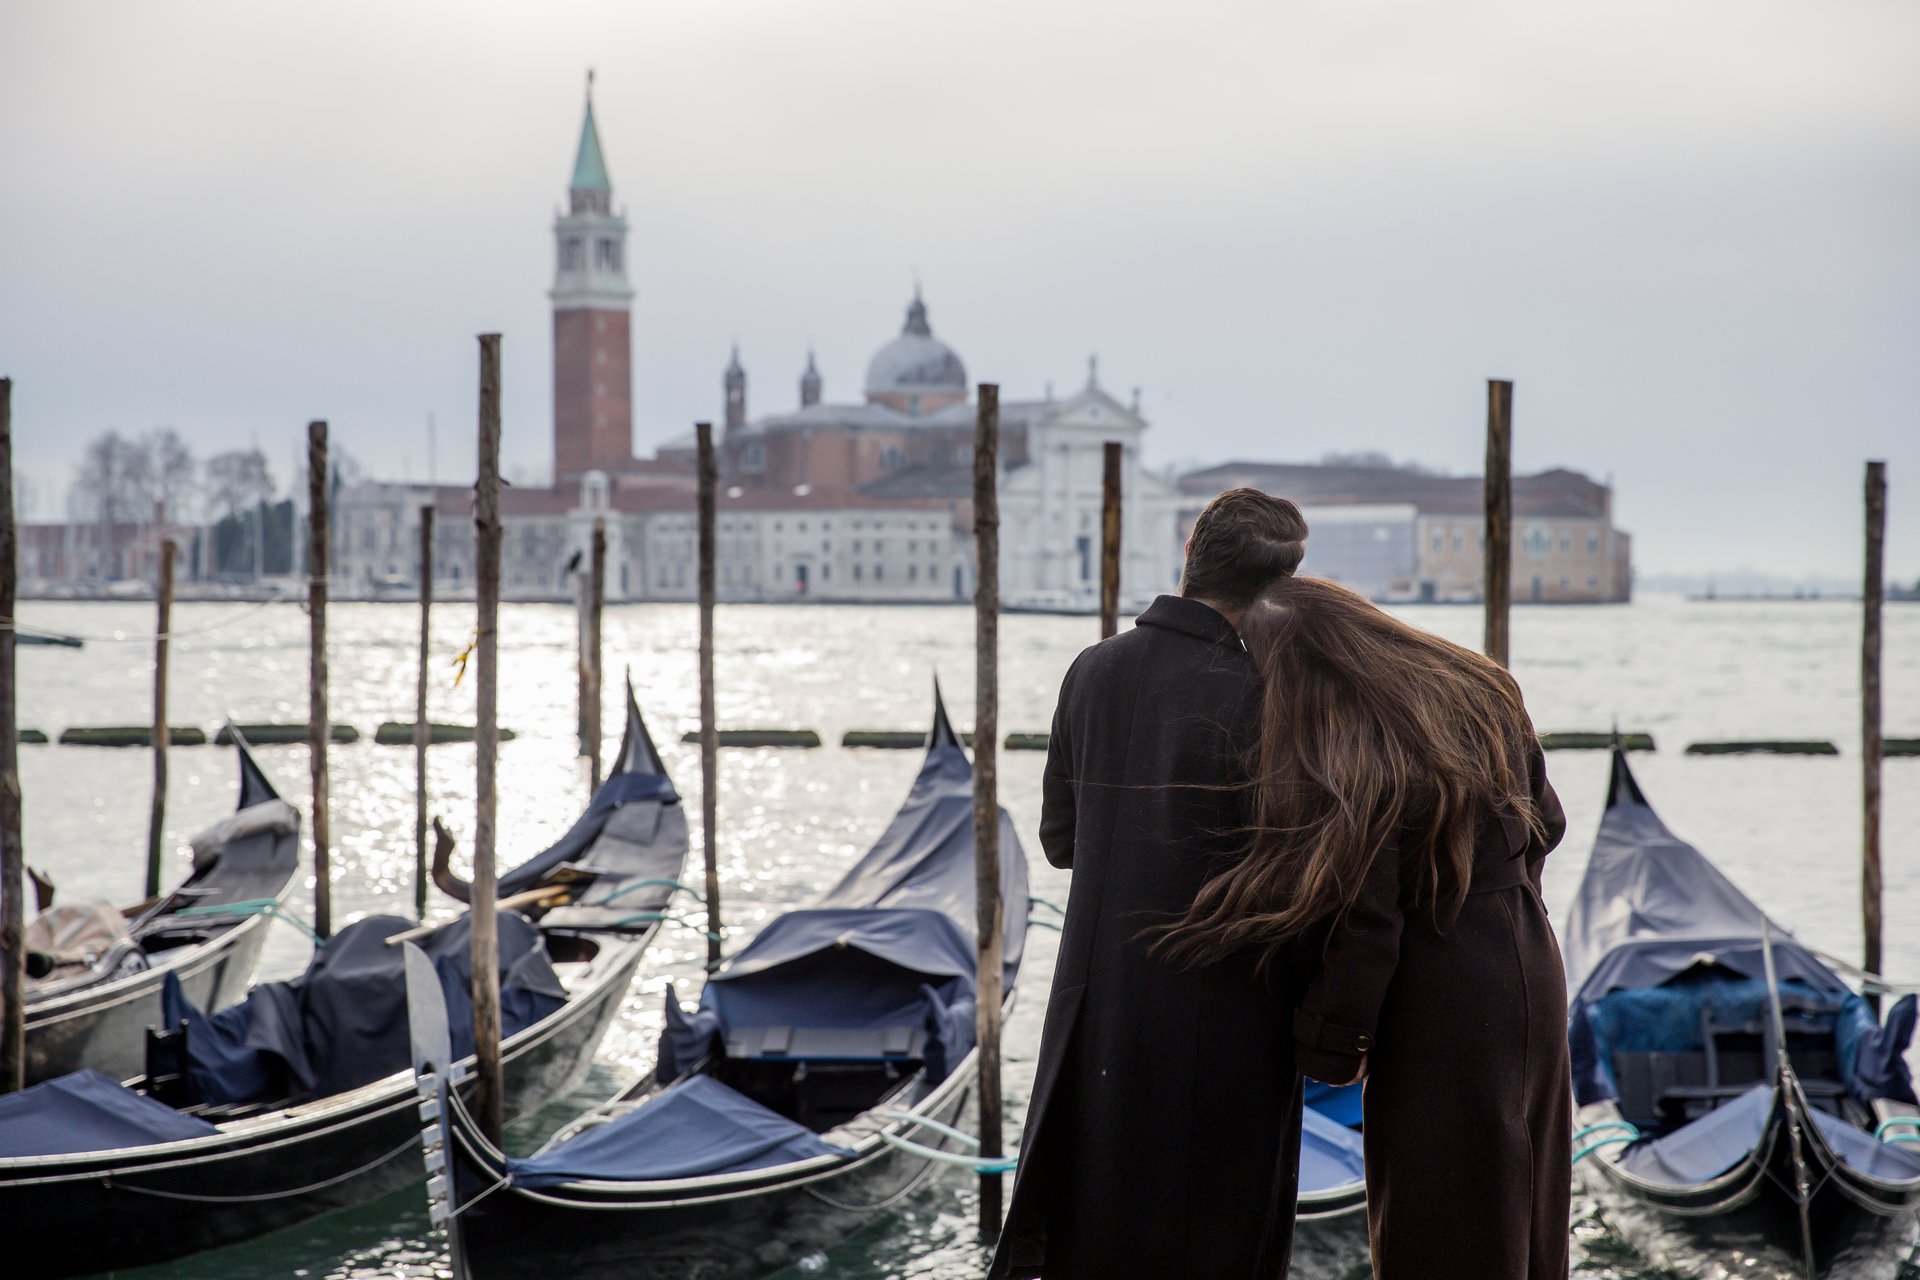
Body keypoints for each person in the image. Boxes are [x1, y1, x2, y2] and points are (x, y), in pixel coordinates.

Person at [1157, 574, 1571, 1280]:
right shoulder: (1480, 686)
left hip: (1443, 994)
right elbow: (1549, 824)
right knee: (1531, 1196)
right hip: (1529, 956)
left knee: (1438, 1218)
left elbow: (1369, 923)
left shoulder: (1354, 742)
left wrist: (1330, 1047)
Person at [990, 488, 1312, 1280]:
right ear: (1280, 588)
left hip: (1099, 1005)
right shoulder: (1271, 693)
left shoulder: (1092, 669)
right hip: (1229, 1014)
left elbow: (1060, 842)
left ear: (1191, 555)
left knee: (1095, 1229)